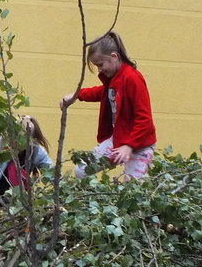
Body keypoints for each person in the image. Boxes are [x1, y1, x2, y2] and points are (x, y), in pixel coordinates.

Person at [60, 31, 156, 180]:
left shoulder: (132, 78)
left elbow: (145, 119)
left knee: (132, 190)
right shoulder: (113, 79)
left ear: (114, 57)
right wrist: (77, 95)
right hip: (118, 140)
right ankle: (88, 200)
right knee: (82, 169)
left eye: (100, 64)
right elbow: (103, 92)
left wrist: (129, 146)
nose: (99, 70)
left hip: (139, 145)